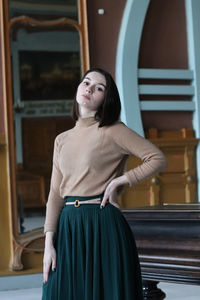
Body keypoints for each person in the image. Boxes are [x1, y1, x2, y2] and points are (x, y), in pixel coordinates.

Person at [42, 67, 168, 300]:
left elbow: (157, 158)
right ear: (79, 87)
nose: (89, 88)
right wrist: (49, 242)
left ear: (105, 100)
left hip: (102, 222)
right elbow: (55, 194)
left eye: (99, 88)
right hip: (68, 226)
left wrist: (121, 181)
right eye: (86, 82)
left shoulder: (113, 131)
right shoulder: (62, 139)